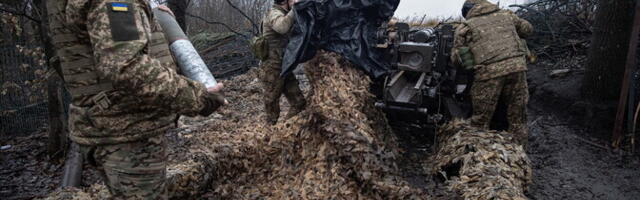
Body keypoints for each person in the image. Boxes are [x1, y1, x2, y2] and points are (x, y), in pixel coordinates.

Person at [46, 0, 226, 199]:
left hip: (113, 125)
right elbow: (127, 67)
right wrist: (199, 97)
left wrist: (152, 12)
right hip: (128, 133)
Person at [452, 0, 534, 146]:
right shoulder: (507, 15)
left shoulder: (464, 27)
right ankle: (519, 154)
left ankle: (479, 155)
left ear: (467, 12)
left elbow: (458, 59)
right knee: (517, 118)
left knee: (481, 119)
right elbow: (527, 29)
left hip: (488, 74)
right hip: (517, 69)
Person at [260, 0, 307, 125]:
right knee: (272, 107)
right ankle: (269, 135)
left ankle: (284, 129)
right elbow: (282, 27)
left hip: (284, 66)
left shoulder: (283, 13)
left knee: (299, 102)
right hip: (272, 67)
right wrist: (295, 9)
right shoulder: (274, 13)